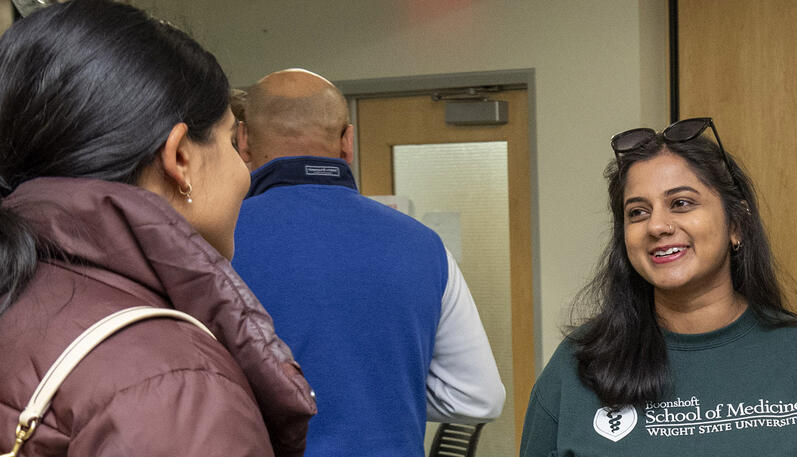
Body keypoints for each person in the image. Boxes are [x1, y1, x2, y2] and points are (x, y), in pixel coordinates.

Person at [0, 1, 317, 455]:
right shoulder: (175, 384)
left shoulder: (21, 295)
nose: (245, 172)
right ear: (180, 158)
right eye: (231, 143)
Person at [519, 118, 797, 456]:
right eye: (638, 212)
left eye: (681, 203)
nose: (657, 225)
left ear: (736, 224)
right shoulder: (578, 363)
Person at [230, 68, 506, 457]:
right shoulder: (424, 245)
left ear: (242, 140)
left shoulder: (207, 244)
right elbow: (480, 397)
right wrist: (380, 394)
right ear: (348, 141)